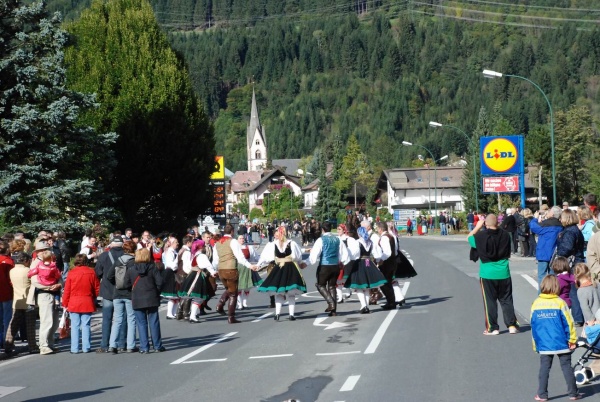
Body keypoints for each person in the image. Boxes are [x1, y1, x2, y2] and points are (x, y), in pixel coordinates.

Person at [531, 275, 581, 401]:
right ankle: (573, 393)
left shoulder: (536, 304)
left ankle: (542, 394)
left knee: (544, 368)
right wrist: (572, 339)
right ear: (556, 287)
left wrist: (535, 344)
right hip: (561, 342)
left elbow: (534, 327)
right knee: (566, 367)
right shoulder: (560, 303)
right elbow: (568, 323)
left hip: (544, 343)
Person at [468, 214, 518, 335]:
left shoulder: (480, 236)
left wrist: (477, 227)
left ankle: (493, 327)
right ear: (498, 223)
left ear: (486, 224)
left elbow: (469, 238)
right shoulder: (505, 235)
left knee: (490, 301)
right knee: (506, 299)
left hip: (487, 273)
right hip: (503, 271)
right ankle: (511, 325)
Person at [257, 226, 307, 321]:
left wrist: (259, 265)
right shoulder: (292, 243)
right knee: (291, 294)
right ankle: (291, 315)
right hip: (290, 268)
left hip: (278, 268)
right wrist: (300, 263)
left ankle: (277, 314)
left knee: (279, 293)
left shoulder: (272, 244)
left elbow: (265, 257)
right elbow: (297, 256)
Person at [212, 224, 257, 324]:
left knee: (229, 289)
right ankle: (231, 317)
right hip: (231, 268)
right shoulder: (233, 242)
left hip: (221, 270)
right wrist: (250, 266)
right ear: (232, 231)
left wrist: (214, 270)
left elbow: (215, 260)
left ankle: (220, 304)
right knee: (233, 294)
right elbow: (240, 257)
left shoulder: (217, 243)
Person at [126, 248, 164, 354]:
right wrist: (156, 292)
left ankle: (144, 347)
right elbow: (160, 282)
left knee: (141, 323)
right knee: (154, 321)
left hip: (137, 298)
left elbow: (126, 284)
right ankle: (157, 346)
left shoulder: (131, 269)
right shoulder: (153, 268)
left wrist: (133, 292)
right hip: (151, 296)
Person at [308, 221, 349, 316]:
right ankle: (333, 311)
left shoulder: (321, 240)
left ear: (322, 229)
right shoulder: (338, 239)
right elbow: (344, 255)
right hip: (335, 266)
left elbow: (314, 256)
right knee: (332, 286)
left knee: (320, 285)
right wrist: (342, 262)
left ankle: (331, 303)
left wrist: (307, 262)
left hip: (324, 266)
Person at [62, 254, 100, 354]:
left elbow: (67, 290)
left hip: (74, 301)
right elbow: (97, 288)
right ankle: (86, 347)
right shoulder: (91, 272)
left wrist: (64, 302)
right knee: (86, 325)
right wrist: (93, 297)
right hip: (87, 300)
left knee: (75, 325)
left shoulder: (71, 272)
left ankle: (74, 348)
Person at [345, 226, 387, 314]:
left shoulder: (358, 242)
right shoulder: (370, 242)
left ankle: (363, 305)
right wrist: (378, 261)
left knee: (359, 286)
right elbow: (376, 254)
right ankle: (366, 306)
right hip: (368, 262)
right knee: (367, 286)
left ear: (359, 233)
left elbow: (354, 254)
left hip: (360, 263)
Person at [106, 240, 137, 353]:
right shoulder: (133, 262)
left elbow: (109, 276)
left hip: (117, 293)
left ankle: (112, 345)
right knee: (131, 319)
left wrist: (117, 284)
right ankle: (130, 345)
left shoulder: (118, 261)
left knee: (117, 320)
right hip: (129, 294)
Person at [4, 252, 38, 354]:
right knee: (30, 326)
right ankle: (32, 346)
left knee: (13, 325)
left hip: (17, 301)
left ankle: (8, 345)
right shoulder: (28, 271)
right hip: (28, 301)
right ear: (26, 261)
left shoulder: (12, 271)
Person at [556, 209, 585, 326]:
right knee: (576, 290)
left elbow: (567, 248)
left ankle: (577, 318)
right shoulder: (575, 230)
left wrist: (559, 253)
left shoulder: (569, 232)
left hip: (572, 263)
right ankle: (579, 316)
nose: (560, 220)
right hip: (578, 261)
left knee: (572, 291)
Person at [179, 240, 213, 323]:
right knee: (199, 296)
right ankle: (192, 316)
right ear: (201, 247)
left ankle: (191, 315)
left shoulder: (195, 255)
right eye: (204, 246)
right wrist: (213, 272)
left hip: (193, 274)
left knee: (197, 297)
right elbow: (207, 265)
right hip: (197, 275)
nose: (205, 247)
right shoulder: (201, 256)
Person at [530, 206, 563, 288]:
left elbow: (533, 227)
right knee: (553, 277)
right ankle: (553, 293)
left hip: (543, 253)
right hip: (554, 254)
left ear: (552, 214)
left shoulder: (545, 225)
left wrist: (535, 218)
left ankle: (542, 294)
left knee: (542, 276)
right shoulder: (561, 226)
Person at [374, 221, 397, 309]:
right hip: (392, 262)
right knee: (387, 283)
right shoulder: (391, 236)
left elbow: (387, 252)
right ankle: (391, 302)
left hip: (387, 263)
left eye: (377, 228)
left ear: (380, 229)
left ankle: (391, 302)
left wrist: (381, 260)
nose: (377, 230)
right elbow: (394, 250)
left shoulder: (384, 238)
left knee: (384, 283)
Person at [236, 235, 260, 310]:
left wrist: (259, 263)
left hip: (248, 267)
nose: (242, 240)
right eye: (240, 238)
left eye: (243, 238)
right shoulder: (235, 248)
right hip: (238, 268)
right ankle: (239, 304)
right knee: (239, 287)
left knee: (247, 287)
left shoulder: (249, 247)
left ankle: (245, 303)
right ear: (237, 240)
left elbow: (255, 256)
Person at [0, 240, 14, 351]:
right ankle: (7, 341)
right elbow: (11, 279)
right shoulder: (8, 262)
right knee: (7, 319)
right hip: (6, 293)